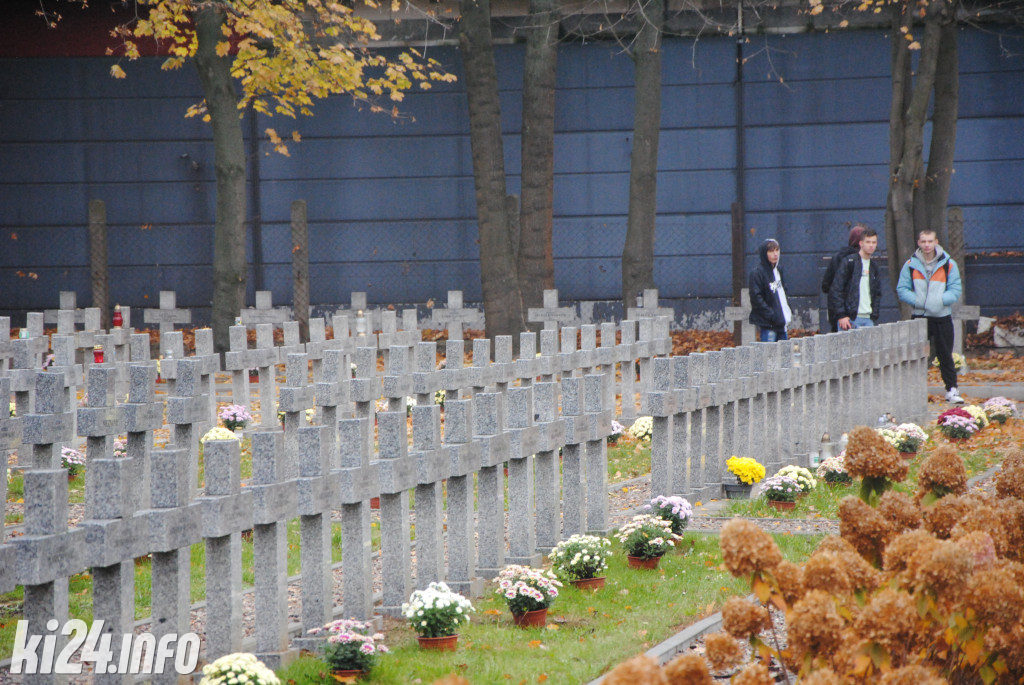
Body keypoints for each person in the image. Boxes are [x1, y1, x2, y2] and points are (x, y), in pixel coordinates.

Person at [897, 229, 964, 403]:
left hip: (942, 316)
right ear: (918, 243)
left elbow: (955, 289)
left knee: (945, 355)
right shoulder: (911, 264)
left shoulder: (948, 264)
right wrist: (918, 301)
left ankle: (951, 390)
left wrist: (940, 301)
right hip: (919, 316)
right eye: (923, 241)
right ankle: (913, 391)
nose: (927, 245)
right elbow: (902, 288)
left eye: (930, 241)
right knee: (915, 355)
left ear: (936, 242)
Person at [828, 228, 882, 330]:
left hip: (868, 319)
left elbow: (877, 293)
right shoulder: (849, 262)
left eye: (874, 242)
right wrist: (841, 315)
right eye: (868, 242)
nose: (871, 245)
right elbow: (836, 289)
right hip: (850, 319)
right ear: (861, 243)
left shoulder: (874, 267)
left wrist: (874, 315)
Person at [821, 225, 866, 332]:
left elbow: (826, 286)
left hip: (836, 311)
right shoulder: (859, 259)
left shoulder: (837, 257)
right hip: (854, 312)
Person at [748, 238, 791, 342]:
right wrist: (771, 315)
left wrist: (786, 311)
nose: (775, 254)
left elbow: (783, 292)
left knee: (784, 355)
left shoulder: (778, 270)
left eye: (777, 250)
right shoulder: (757, 273)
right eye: (771, 251)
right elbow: (756, 298)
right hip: (769, 325)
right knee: (769, 355)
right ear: (764, 253)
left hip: (782, 323)